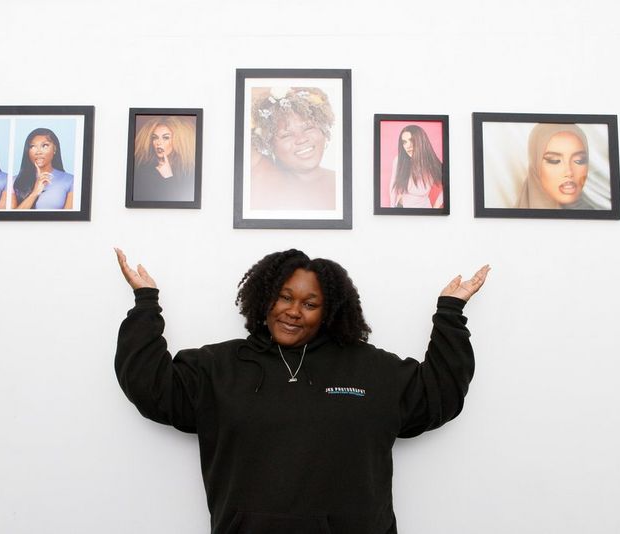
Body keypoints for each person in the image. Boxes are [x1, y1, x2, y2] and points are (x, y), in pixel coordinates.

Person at [114, 247, 490, 533]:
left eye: (310, 304)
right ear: (264, 300)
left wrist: (450, 314)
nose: (294, 311)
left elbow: (439, 394)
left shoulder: (371, 369)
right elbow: (152, 387)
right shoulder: (218, 367)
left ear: (328, 313)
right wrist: (146, 305)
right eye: (284, 297)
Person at [249, 87, 337, 210]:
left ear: (323, 130)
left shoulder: (343, 182)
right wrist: (283, 92)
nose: (301, 139)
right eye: (286, 135)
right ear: (268, 144)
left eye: (308, 128)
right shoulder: (262, 177)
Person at [516, 123, 600, 209]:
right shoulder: (515, 220)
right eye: (554, 161)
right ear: (535, 164)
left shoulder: (598, 217)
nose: (569, 172)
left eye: (579, 160)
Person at [132, 116, 196, 202]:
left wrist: (168, 176)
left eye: (165, 138)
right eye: (155, 138)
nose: (158, 143)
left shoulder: (188, 171)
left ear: (178, 141)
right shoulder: (142, 169)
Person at [12, 128, 73, 209]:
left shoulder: (70, 180)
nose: (38, 152)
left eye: (44, 145)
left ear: (54, 149)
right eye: (33, 147)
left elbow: (69, 220)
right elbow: (11, 219)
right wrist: (35, 193)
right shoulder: (14, 181)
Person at [389, 125, 444, 208]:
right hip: (401, 207)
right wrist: (392, 208)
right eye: (404, 142)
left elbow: (450, 185)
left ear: (421, 141)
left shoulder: (431, 164)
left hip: (424, 211)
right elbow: (393, 187)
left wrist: (437, 204)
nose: (408, 146)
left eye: (412, 140)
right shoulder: (399, 160)